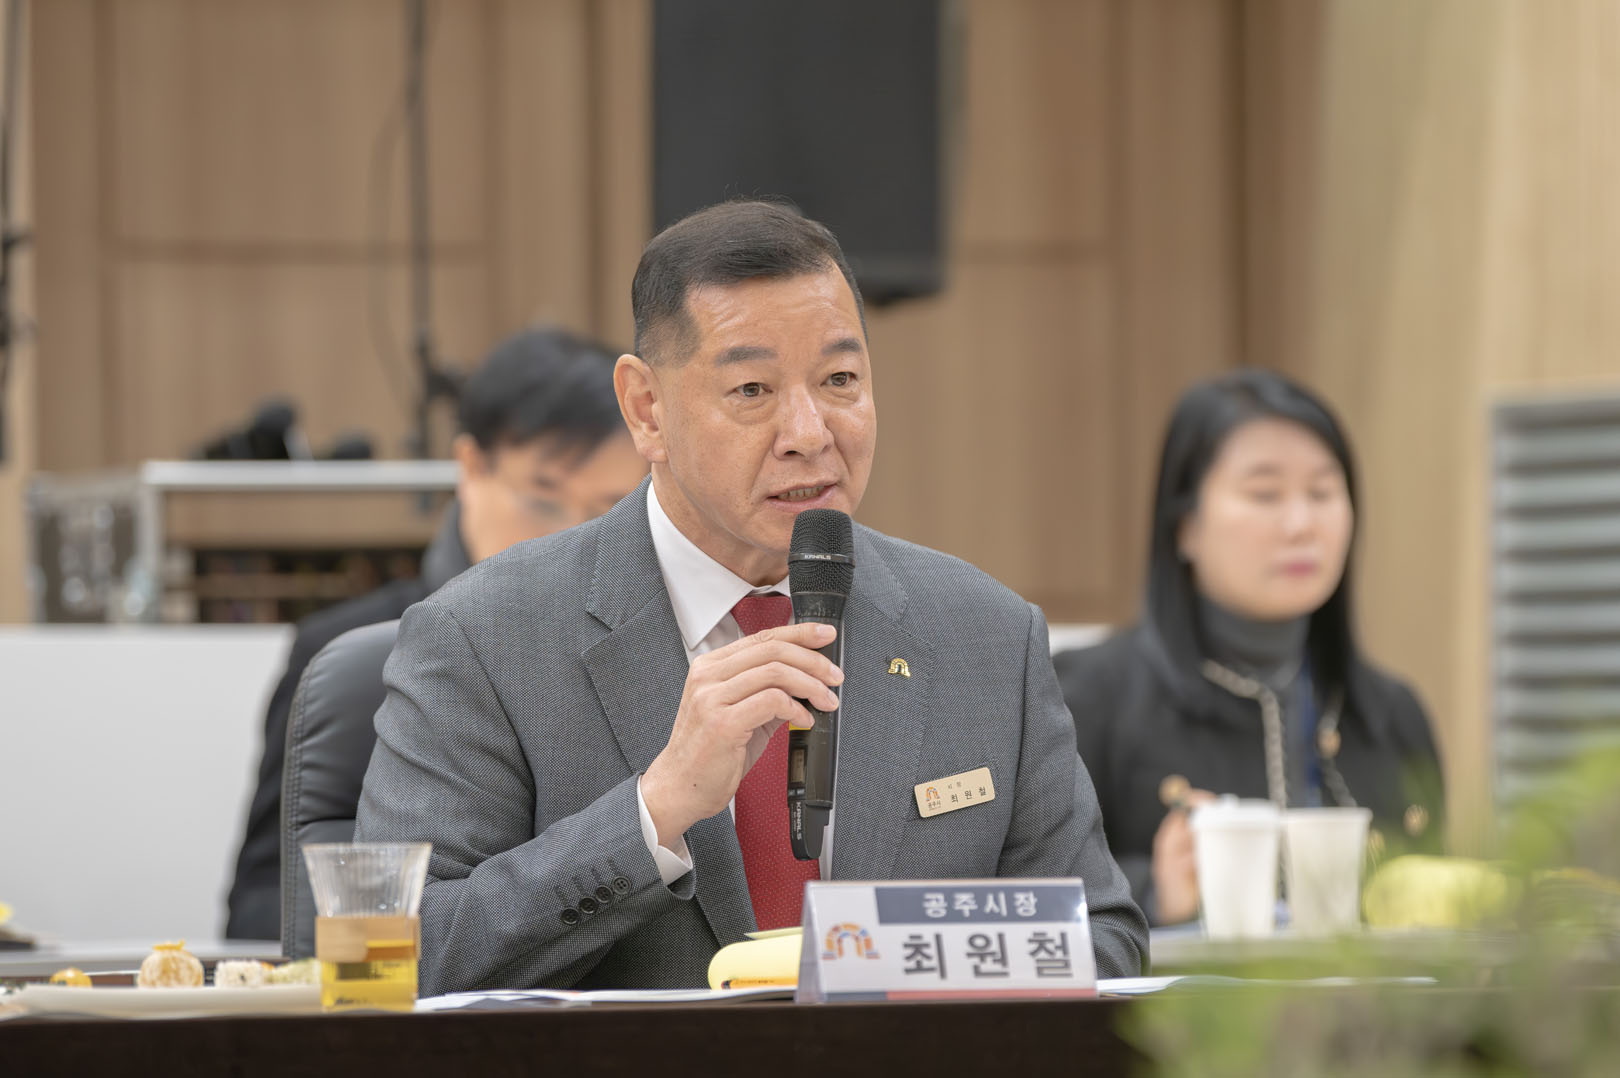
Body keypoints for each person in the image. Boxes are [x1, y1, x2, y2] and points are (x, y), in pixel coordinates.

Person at [354, 199, 1148, 993]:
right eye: (752, 389)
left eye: (840, 380)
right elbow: (394, 960)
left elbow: (1103, 941)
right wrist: (655, 811)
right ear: (646, 410)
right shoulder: (481, 638)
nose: (809, 432)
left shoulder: (987, 636)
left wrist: (880, 957)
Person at [225, 327, 648, 940]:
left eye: (608, 510)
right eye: (544, 500)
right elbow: (262, 906)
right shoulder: (352, 646)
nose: (574, 535)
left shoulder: (646, 648)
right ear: (470, 467)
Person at [1055, 369, 1445, 926]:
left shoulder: (1391, 714)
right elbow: (1027, 898)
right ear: (1184, 525)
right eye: (1265, 494)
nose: (1301, 524)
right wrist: (1151, 893)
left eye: (1322, 493)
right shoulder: (1083, 699)